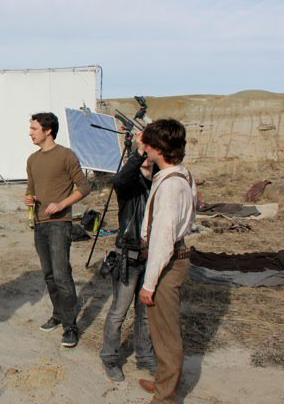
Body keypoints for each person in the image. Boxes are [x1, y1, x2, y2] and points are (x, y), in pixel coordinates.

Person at [136, 119, 197, 403]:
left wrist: (149, 284)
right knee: (162, 330)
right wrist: (148, 167)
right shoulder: (179, 175)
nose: (144, 147)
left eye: (148, 144)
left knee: (166, 335)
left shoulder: (171, 188)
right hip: (174, 257)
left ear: (158, 148)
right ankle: (164, 383)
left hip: (168, 262)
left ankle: (165, 397)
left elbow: (162, 239)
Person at [24, 112, 91, 348]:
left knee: (62, 275)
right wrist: (29, 199)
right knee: (49, 275)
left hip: (60, 225)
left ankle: (70, 326)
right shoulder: (32, 159)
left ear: (48, 130)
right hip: (39, 224)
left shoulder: (65, 155)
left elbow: (85, 186)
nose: (30, 132)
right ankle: (58, 314)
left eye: (34, 128)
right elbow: (31, 189)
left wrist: (62, 204)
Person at [99, 133, 157, 382]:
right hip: (128, 258)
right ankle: (109, 357)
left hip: (151, 257)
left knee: (145, 313)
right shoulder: (129, 185)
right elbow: (119, 180)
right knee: (118, 312)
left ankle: (145, 357)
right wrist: (139, 151)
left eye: (149, 152)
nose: (145, 157)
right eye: (142, 153)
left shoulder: (159, 182)